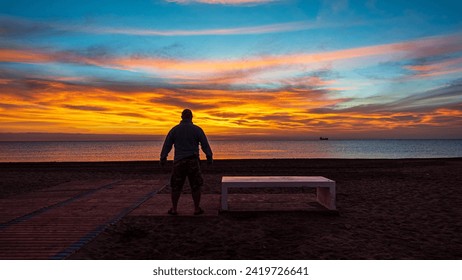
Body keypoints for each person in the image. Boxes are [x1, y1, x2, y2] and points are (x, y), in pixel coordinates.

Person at [160, 109, 213, 215]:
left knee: (176, 186)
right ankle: (196, 208)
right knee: (195, 186)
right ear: (191, 117)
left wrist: (163, 157)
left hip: (179, 162)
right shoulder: (197, 130)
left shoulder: (174, 130)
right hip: (193, 161)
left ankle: (174, 209)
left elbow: (167, 145)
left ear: (181, 117)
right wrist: (209, 156)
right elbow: (204, 144)